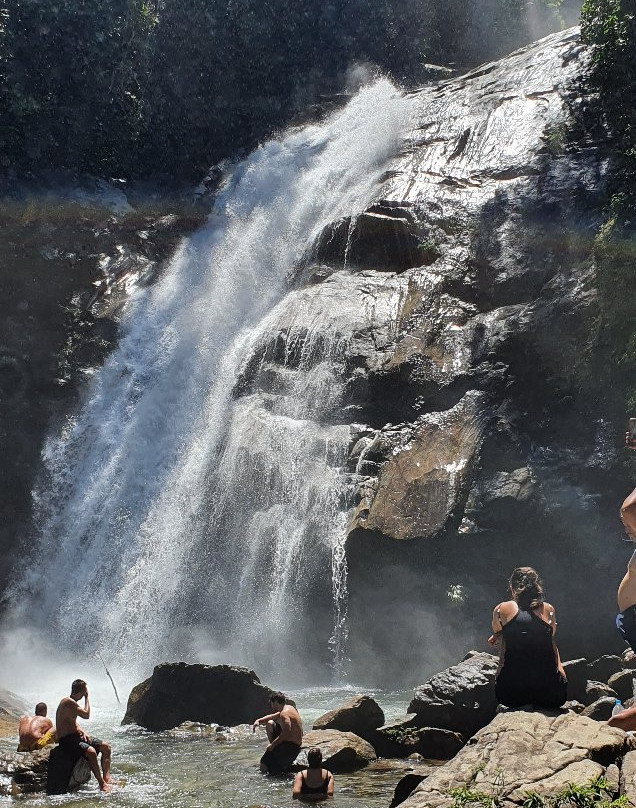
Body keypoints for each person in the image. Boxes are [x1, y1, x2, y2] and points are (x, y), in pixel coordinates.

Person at [488, 566, 567, 709]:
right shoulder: (548, 609)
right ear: (537, 587)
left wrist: (498, 634)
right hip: (553, 695)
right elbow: (550, 640)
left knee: (506, 639)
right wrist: (561, 670)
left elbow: (497, 631)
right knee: (548, 642)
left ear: (511, 587)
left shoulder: (501, 609)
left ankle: (505, 677)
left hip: (509, 695)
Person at [55, 679, 111, 791]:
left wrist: (82, 731)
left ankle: (107, 778)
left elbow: (71, 720)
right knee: (91, 752)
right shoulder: (68, 702)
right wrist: (87, 697)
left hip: (75, 736)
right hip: (66, 739)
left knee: (106, 747)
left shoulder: (71, 703)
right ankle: (101, 783)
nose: (86, 693)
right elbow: (86, 715)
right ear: (81, 692)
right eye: (84, 691)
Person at [252, 691, 303, 774]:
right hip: (295, 744)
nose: (271, 706)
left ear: (275, 702)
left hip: (290, 746)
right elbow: (273, 716)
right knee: (269, 723)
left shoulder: (284, 714)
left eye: (272, 703)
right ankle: (275, 755)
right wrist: (259, 721)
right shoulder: (289, 708)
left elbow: (287, 732)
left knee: (264, 763)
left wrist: (273, 745)